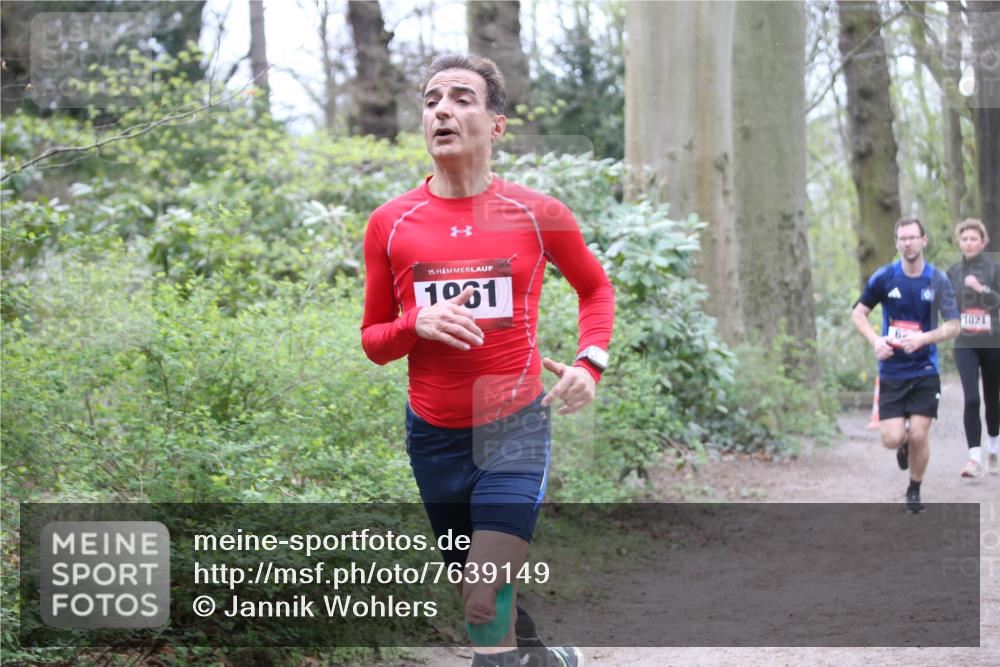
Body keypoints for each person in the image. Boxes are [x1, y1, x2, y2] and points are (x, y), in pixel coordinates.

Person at [360, 53, 614, 667]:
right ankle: (539, 658)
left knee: (481, 597)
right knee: (483, 595)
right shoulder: (390, 224)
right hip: (434, 437)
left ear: (496, 125)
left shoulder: (538, 213)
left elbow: (595, 289)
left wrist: (590, 363)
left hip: (514, 427)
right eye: (430, 100)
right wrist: (414, 322)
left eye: (460, 98)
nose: (441, 109)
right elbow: (374, 341)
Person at [851, 217, 959, 513]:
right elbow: (858, 314)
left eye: (913, 237)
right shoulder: (885, 277)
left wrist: (924, 338)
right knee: (892, 438)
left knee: (920, 434)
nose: (908, 243)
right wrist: (875, 340)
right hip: (892, 371)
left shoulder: (937, 280)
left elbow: (953, 326)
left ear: (924, 241)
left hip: (925, 369)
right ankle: (902, 446)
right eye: (902, 238)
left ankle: (914, 488)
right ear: (897, 243)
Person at [946, 218, 1000, 477]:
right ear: (959, 242)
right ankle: (973, 458)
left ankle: (993, 448)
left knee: (992, 399)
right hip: (965, 342)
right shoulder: (953, 271)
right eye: (964, 239)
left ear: (983, 242)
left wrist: (980, 288)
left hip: (992, 342)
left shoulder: (995, 268)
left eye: (973, 239)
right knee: (971, 398)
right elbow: (946, 304)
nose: (968, 243)